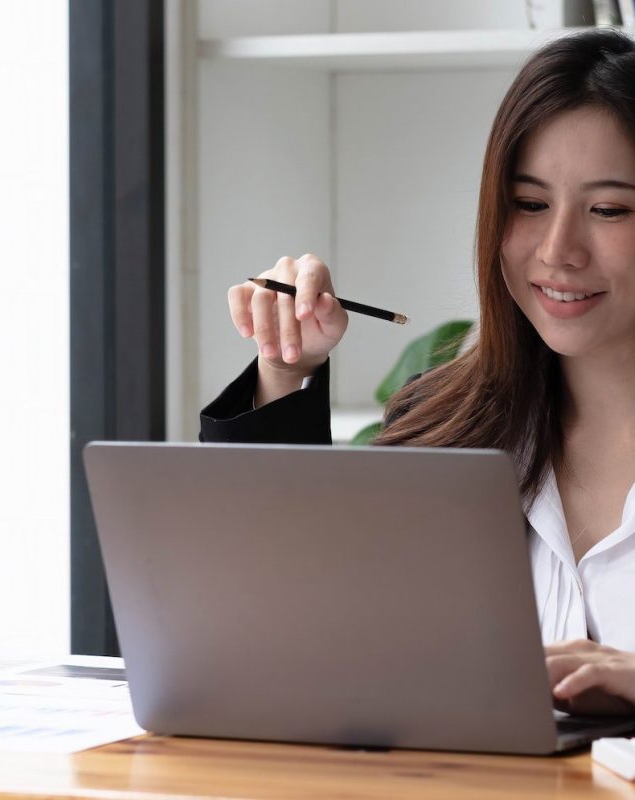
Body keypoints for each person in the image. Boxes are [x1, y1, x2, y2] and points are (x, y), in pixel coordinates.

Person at [200, 28, 635, 716]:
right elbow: (283, 634)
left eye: (608, 210)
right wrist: (285, 368)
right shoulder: (443, 430)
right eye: (528, 204)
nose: (558, 251)